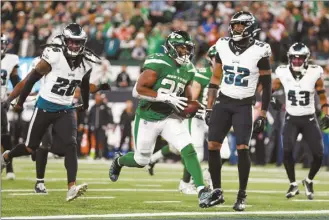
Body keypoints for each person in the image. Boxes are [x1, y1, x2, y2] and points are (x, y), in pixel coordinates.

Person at [109, 30, 222, 208]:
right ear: (170, 48)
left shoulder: (189, 69)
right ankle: (119, 161)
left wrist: (192, 108)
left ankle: (202, 191)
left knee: (189, 150)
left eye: (187, 48)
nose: (185, 52)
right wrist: (165, 97)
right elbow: (137, 90)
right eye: (181, 48)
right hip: (148, 117)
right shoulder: (158, 62)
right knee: (141, 160)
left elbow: (188, 99)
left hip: (170, 116)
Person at [0, 23, 108, 201]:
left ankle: (71, 187)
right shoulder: (53, 56)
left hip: (65, 109)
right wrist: (18, 102)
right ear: (64, 41)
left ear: (83, 43)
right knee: (30, 147)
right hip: (44, 106)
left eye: (77, 42)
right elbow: (31, 79)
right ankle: (7, 156)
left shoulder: (87, 61)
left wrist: (86, 103)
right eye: (71, 42)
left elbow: (85, 85)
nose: (74, 45)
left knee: (71, 144)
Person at [206, 11, 272, 211]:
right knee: (212, 146)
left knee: (242, 148)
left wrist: (262, 113)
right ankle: (217, 191)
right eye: (234, 25)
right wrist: (209, 106)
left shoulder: (260, 50)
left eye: (241, 25)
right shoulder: (222, 45)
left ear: (250, 27)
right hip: (223, 102)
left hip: (244, 104)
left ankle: (242, 194)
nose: (236, 29)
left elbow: (267, 85)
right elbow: (215, 78)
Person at [273, 43, 329, 200]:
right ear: (289, 58)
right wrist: (271, 99)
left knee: (319, 154)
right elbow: (269, 89)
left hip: (309, 118)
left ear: (306, 59)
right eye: (294, 58)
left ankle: (309, 180)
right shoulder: (282, 72)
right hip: (291, 118)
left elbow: (323, 97)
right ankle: (293, 184)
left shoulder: (314, 72)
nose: (297, 61)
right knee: (287, 152)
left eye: (300, 59)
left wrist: (327, 115)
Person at [0, 33, 21, 180]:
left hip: (1, 103)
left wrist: (19, 96)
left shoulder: (11, 60)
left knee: (5, 137)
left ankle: (9, 168)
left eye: (3, 43)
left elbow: (15, 81)